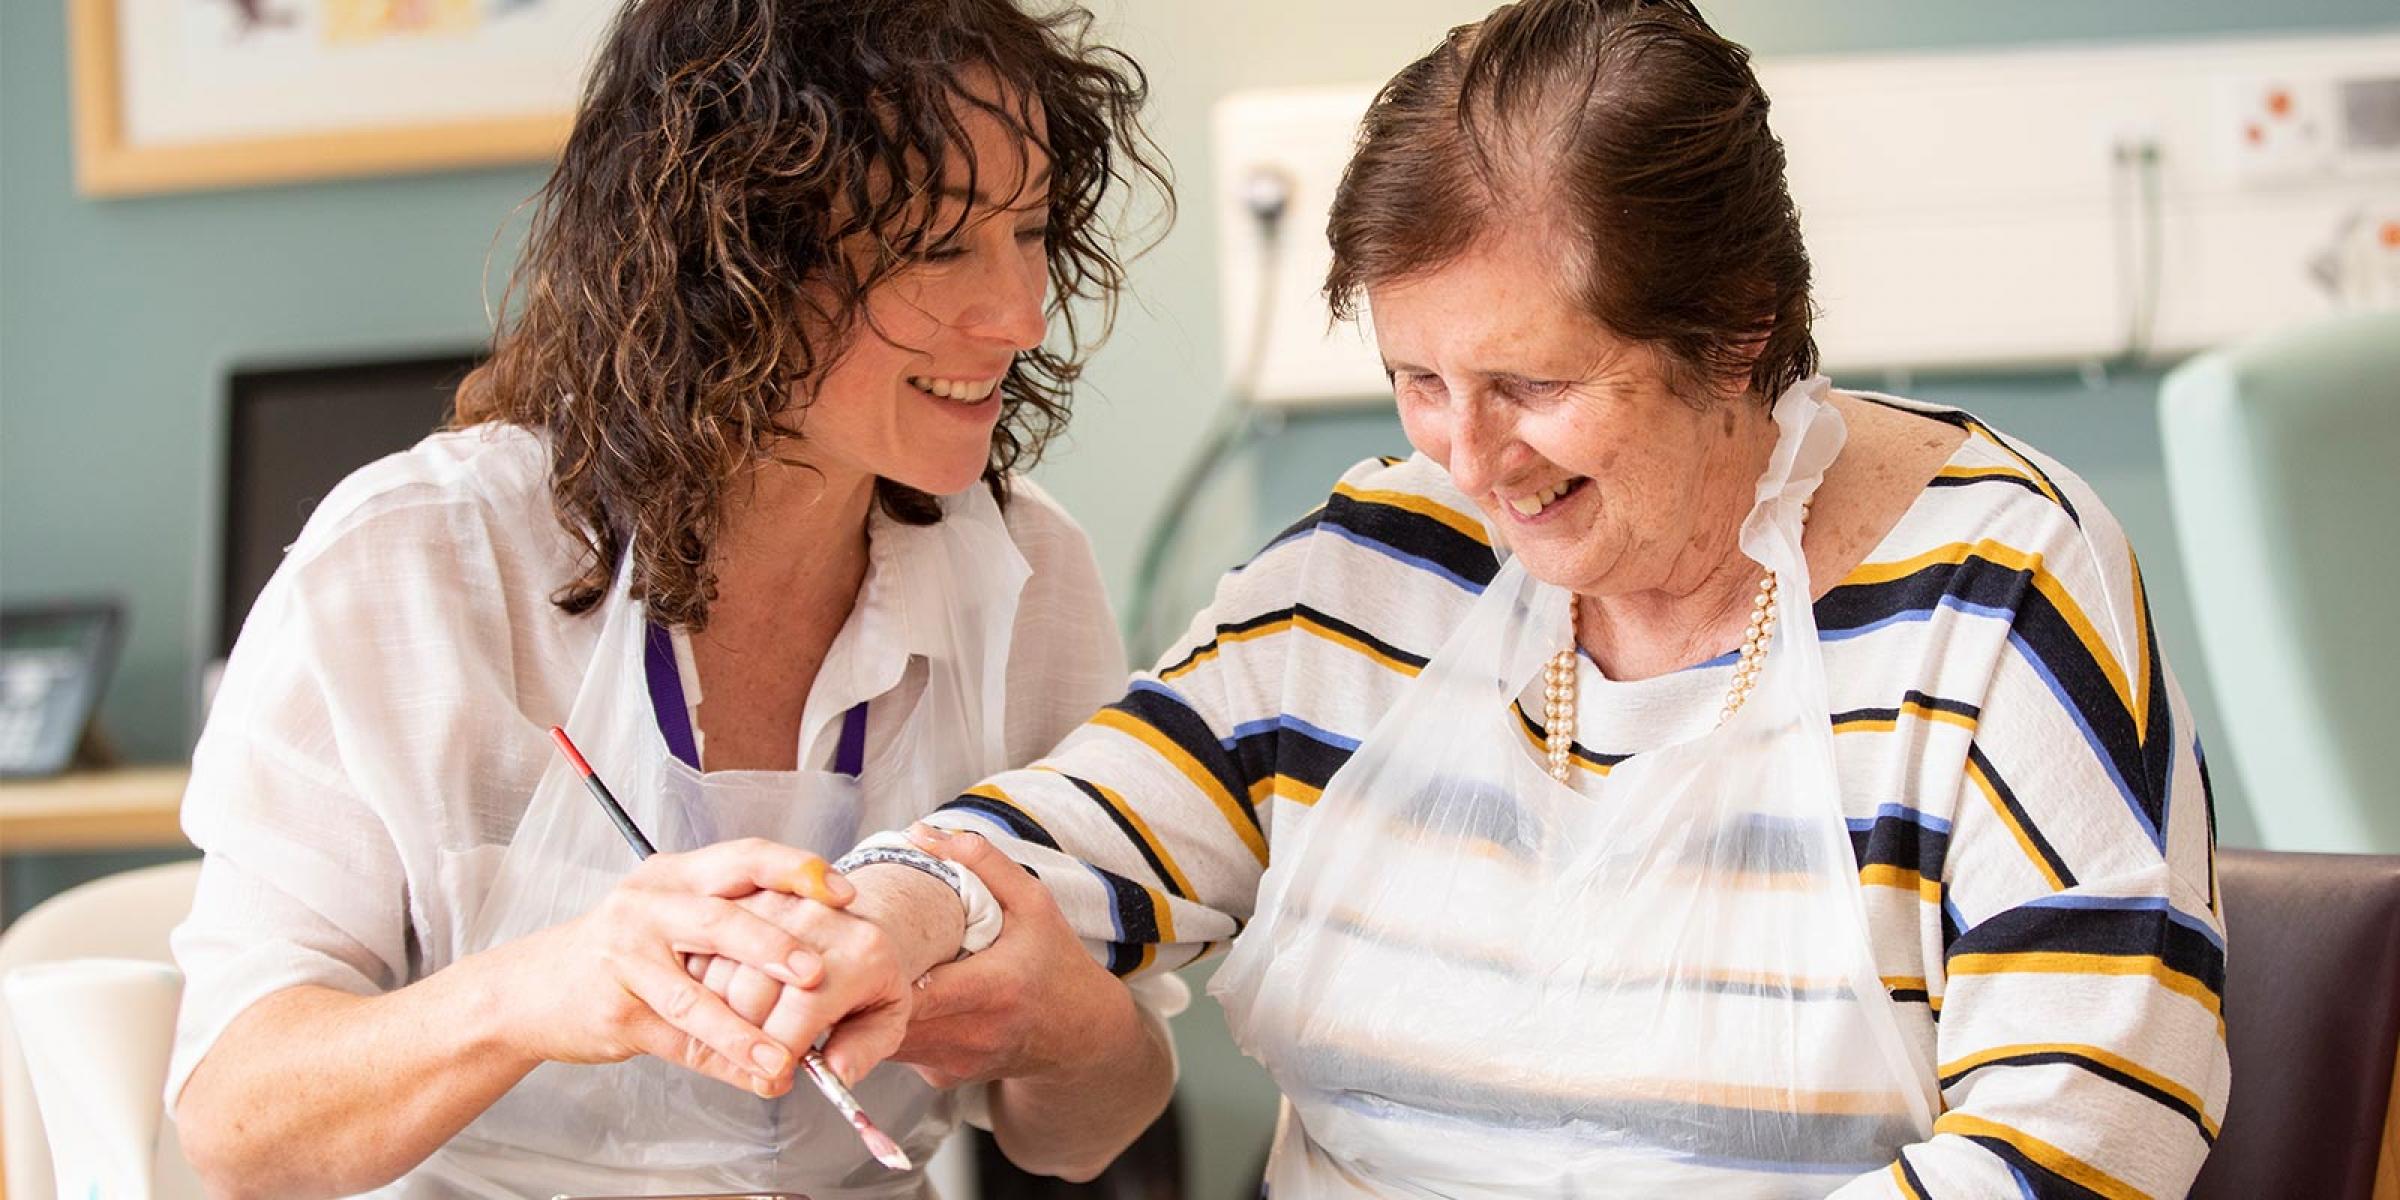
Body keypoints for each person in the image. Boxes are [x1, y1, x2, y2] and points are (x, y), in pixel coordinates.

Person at [777, 1, 2232, 1195]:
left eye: (1533, 385)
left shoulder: (1997, 584)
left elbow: (2084, 1131)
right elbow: (1076, 832)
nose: (1472, 460)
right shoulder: (1380, 570)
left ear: (1736, 336)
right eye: (1420, 381)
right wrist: (903, 910)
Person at [165, 1, 1180, 1195]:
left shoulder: (1027, 574)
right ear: (738, 258)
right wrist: (540, 991)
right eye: (942, 246)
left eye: (1030, 232)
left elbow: (1084, 1135)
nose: (1021, 316)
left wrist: (1067, 1029)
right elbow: (236, 1132)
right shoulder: (412, 565)